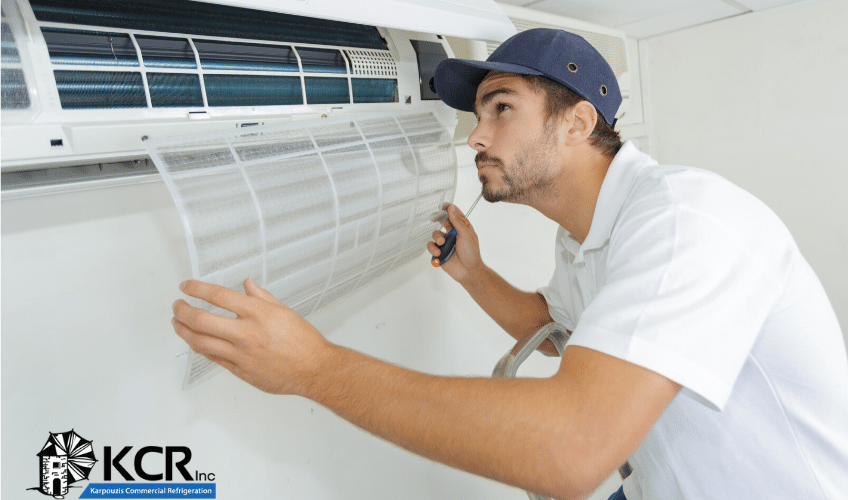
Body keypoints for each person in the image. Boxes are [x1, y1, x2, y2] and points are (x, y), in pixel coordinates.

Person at [171, 28, 848, 499]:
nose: (476, 134)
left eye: (501, 108)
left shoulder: (684, 222)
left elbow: (574, 449)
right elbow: (562, 331)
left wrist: (316, 368)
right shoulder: (582, 235)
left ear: (578, 122)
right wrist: (473, 273)